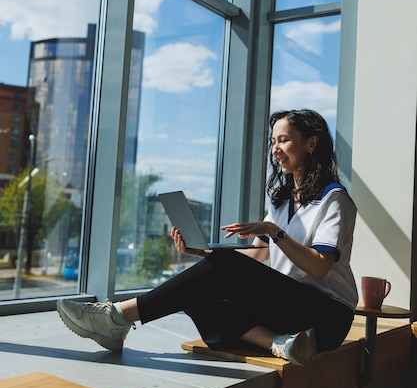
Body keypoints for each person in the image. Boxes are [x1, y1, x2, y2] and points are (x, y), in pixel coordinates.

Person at [57, 109, 358, 367]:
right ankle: (281, 343)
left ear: (311, 144)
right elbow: (254, 258)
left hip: (327, 316)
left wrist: (272, 232)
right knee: (195, 291)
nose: (275, 149)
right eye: (272, 142)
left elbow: (319, 267)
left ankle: (118, 317)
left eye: (284, 140)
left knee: (209, 279)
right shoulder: (281, 201)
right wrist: (201, 255)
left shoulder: (334, 199)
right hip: (290, 313)